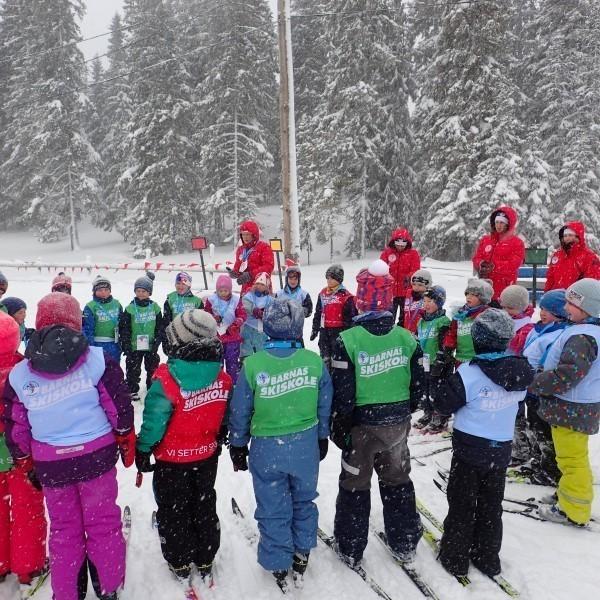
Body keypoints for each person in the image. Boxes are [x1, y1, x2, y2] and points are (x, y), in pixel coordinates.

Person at [2, 292, 135, 600]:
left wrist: (26, 461)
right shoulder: (98, 361)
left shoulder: (21, 375)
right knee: (102, 524)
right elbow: (119, 409)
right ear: (76, 322)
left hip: (52, 466)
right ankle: (107, 587)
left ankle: (68, 592)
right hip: (96, 459)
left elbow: (16, 427)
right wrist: (124, 436)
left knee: (64, 530)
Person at [229, 297, 332, 590]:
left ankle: (278, 561)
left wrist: (238, 443)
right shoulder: (312, 361)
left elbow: (241, 409)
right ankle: (301, 551)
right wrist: (323, 435)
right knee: (303, 500)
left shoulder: (253, 364)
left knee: (273, 505)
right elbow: (325, 402)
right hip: (304, 445)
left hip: (267, 448)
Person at [330, 261, 424, 567]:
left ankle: (351, 545)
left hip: (362, 425)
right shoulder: (406, 338)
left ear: (360, 299)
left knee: (355, 484)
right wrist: (407, 408)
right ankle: (405, 539)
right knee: (397, 478)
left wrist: (341, 423)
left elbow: (343, 390)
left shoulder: (349, 339)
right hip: (396, 421)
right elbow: (419, 382)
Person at [430, 309, 534, 578]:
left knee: (462, 504)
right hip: (500, 449)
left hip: (469, 449)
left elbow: (443, 403)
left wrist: (440, 377)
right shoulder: (520, 371)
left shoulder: (471, 373)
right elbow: (519, 400)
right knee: (490, 505)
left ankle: (455, 557)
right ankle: (487, 556)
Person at [136, 310, 231, 585]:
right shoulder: (221, 377)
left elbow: (154, 421)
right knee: (203, 502)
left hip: (172, 459)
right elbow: (224, 412)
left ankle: (179, 559)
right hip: (206, 454)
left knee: (173, 508)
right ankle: (205, 555)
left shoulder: (167, 379)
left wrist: (144, 449)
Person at [530, 279, 600, 526]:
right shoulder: (585, 331)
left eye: (572, 303)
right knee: (567, 457)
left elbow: (567, 375)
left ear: (588, 308)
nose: (566, 307)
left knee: (572, 460)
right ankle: (567, 494)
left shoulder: (583, 337)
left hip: (572, 407)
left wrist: (536, 381)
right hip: (573, 407)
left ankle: (574, 511)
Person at [0, 312, 47, 590]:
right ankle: (29, 566)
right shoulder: (24, 370)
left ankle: (1, 562)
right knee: (26, 508)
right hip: (21, 451)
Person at [518, 289, 569, 485]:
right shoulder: (539, 328)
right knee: (533, 425)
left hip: (543, 388)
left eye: (549, 310)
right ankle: (538, 460)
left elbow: (551, 360)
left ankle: (550, 469)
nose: (543, 313)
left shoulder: (560, 333)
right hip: (530, 386)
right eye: (542, 308)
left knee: (544, 430)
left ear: (560, 312)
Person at [119, 271, 163, 401]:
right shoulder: (130, 308)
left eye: (144, 291)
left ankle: (152, 388)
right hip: (134, 345)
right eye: (138, 290)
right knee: (132, 369)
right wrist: (126, 343)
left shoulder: (155, 307)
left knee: (152, 368)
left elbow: (160, 326)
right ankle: (132, 389)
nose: (141, 293)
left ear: (150, 292)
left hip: (150, 345)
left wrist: (157, 341)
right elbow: (124, 328)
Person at [414, 286, 451, 432]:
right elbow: (418, 341)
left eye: (431, 301)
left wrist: (441, 360)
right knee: (425, 390)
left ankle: (440, 416)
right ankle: (428, 413)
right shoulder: (421, 321)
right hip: (425, 362)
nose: (427, 304)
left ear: (440, 303)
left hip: (438, 363)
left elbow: (446, 344)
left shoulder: (443, 321)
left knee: (438, 391)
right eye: (425, 301)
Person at [472, 206, 525, 303]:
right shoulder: (486, 240)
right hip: (483, 287)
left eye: (502, 222)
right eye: (497, 222)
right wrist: (481, 264)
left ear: (508, 224)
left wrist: (494, 266)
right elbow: (476, 257)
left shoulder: (517, 243)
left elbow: (514, 264)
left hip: (503, 290)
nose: (498, 225)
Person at [310, 264, 357, 371]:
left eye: (332, 278)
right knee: (324, 357)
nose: (329, 280)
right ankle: (326, 377)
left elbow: (350, 319)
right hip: (324, 331)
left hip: (338, 331)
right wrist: (315, 328)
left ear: (339, 279)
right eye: (328, 277)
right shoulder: (322, 293)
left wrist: (347, 335)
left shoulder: (345, 296)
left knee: (337, 358)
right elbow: (318, 312)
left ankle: (337, 377)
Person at [203, 275, 246, 383]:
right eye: (220, 291)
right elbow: (206, 313)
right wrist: (213, 318)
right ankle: (219, 384)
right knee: (218, 364)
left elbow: (242, 314)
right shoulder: (212, 300)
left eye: (225, 290)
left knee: (232, 364)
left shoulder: (236, 300)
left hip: (232, 337)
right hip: (217, 338)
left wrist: (236, 324)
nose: (223, 293)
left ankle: (233, 384)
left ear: (230, 290)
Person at [443, 278, 493, 366]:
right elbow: (452, 333)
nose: (468, 297)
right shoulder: (460, 314)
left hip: (478, 360)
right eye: (467, 294)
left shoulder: (486, 315)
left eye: (473, 295)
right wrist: (448, 347)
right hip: (460, 359)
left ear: (482, 298)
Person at [379, 228, 421, 322]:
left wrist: (408, 277)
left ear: (407, 243)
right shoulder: (386, 253)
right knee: (388, 318)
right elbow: (381, 269)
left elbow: (416, 270)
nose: (400, 247)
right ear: (394, 242)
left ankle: (401, 334)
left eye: (402, 245)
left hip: (406, 293)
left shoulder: (413, 254)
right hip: (389, 293)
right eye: (398, 245)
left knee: (405, 319)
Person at [544, 222, 600, 291]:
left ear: (578, 236)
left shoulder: (589, 256)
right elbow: (550, 277)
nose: (567, 238)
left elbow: (592, 282)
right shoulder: (557, 255)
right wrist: (547, 293)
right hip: (556, 296)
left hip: (577, 297)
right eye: (565, 235)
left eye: (570, 235)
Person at [83, 276, 123, 363]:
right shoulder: (90, 306)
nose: (103, 292)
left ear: (110, 290)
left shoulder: (117, 304)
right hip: (97, 345)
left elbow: (123, 325)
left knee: (114, 371)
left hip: (114, 345)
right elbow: (88, 329)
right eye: (100, 290)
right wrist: (91, 346)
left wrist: (121, 343)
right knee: (99, 371)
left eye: (106, 290)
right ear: (95, 291)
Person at [229, 220, 275, 294]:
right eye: (243, 234)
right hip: (245, 289)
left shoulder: (264, 247)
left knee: (261, 305)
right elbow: (239, 266)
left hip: (261, 287)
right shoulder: (240, 249)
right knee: (244, 305)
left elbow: (268, 267)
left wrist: (251, 274)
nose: (245, 237)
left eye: (248, 234)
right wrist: (235, 273)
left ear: (254, 235)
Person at [240, 272, 273, 360]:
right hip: (248, 327)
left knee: (262, 351)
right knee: (246, 349)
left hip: (262, 330)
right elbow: (245, 305)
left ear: (266, 286)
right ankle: (245, 364)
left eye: (262, 284)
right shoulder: (249, 295)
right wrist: (254, 310)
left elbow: (273, 310)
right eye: (257, 283)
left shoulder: (270, 299)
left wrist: (265, 314)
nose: (259, 286)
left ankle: (262, 364)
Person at [162, 272, 203, 339]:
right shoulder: (170, 299)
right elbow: (166, 321)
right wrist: (166, 340)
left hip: (191, 336)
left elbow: (200, 322)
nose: (180, 286)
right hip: (175, 335)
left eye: (183, 284)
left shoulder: (197, 301)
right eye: (178, 283)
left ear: (189, 286)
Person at [499, 285, 534, 356]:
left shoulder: (527, 326)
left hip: (513, 360)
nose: (505, 311)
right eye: (503, 307)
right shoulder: (502, 316)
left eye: (510, 308)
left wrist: (502, 334)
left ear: (522, 308)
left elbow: (519, 345)